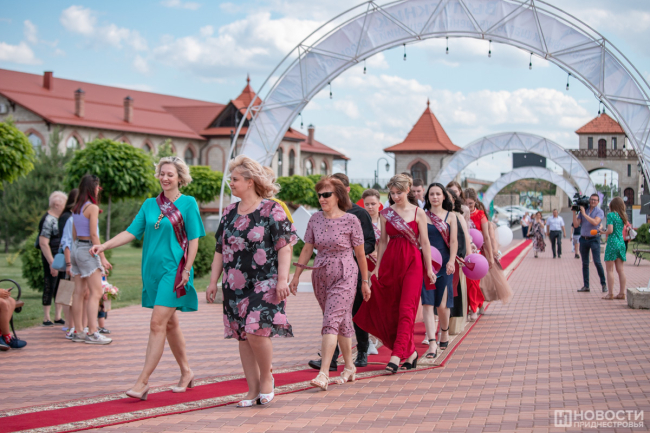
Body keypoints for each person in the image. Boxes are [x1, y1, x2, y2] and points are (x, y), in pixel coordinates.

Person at [92, 157, 205, 399]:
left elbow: (194, 240)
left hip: (175, 271)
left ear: (180, 178)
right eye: (162, 173)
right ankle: (186, 372)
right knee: (170, 323)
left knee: (156, 323)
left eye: (170, 174)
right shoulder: (149, 205)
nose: (165, 178)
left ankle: (142, 382)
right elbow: (131, 232)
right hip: (152, 272)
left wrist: (187, 269)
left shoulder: (188, 203)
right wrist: (104, 246)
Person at [206, 155, 296, 407]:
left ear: (250, 182)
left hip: (265, 281)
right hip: (234, 284)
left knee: (256, 330)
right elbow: (219, 250)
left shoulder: (272, 209)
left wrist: (282, 279)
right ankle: (252, 390)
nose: (231, 183)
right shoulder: (228, 212)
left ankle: (267, 378)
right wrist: (213, 282)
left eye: (235, 179)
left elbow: (285, 246)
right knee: (243, 335)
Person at [291, 177, 370, 390]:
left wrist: (365, 281)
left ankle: (324, 373)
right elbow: (307, 248)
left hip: (345, 272)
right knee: (340, 320)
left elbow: (360, 255)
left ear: (338, 196)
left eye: (326, 194)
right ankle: (350, 367)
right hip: (321, 273)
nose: (322, 198)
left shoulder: (351, 220)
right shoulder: (315, 219)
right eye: (319, 195)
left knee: (330, 320)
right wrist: (296, 275)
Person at [354, 174, 435, 373]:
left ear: (408, 190)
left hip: (412, 263)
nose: (395, 196)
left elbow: (425, 243)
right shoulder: (386, 214)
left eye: (399, 192)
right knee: (392, 310)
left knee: (407, 309)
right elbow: (382, 242)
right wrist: (377, 268)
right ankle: (411, 353)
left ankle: (396, 356)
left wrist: (429, 268)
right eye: (392, 193)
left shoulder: (418, 212)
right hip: (391, 263)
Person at [68, 177, 112, 345]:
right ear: (92, 188)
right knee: (96, 292)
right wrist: (102, 257)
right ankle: (93, 332)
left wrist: (77, 250)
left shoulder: (76, 208)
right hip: (88, 249)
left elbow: (74, 233)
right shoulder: (92, 207)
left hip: (76, 248)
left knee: (78, 293)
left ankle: (78, 331)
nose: (99, 189)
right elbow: (94, 234)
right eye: (97, 186)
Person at [422, 183, 457, 359]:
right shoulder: (423, 215)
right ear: (428, 197)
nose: (435, 197)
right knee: (427, 304)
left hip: (444, 264)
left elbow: (454, 241)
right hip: (427, 264)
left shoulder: (451, 216)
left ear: (444, 196)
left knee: (442, 305)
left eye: (438, 194)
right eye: (432, 194)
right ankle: (432, 343)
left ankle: (444, 330)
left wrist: (452, 261)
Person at [37, 191, 67, 327]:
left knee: (61, 285)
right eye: (64, 204)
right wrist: (51, 262)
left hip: (61, 256)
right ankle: (46, 317)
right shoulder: (48, 219)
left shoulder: (60, 219)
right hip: (52, 257)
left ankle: (58, 316)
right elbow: (43, 242)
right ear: (56, 204)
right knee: (50, 284)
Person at [464, 188, 494, 322]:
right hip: (464, 252)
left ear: (475, 202)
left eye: (470, 204)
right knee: (467, 283)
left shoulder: (480, 215)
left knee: (474, 282)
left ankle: (473, 308)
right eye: (466, 204)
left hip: (477, 253)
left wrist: (491, 256)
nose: (468, 206)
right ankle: (478, 302)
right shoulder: (460, 214)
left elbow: (486, 237)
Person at [447, 189, 471, 334]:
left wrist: (469, 257)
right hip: (440, 259)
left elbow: (465, 238)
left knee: (456, 291)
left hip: (456, 259)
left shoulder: (457, 216)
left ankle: (453, 325)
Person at [573, 194, 607, 293]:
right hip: (583, 239)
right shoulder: (584, 210)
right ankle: (586, 286)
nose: (593, 201)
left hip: (594, 239)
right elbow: (576, 225)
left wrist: (584, 214)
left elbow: (595, 222)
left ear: (598, 202)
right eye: (591, 199)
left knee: (597, 262)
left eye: (595, 200)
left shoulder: (599, 212)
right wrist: (574, 212)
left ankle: (604, 284)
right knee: (585, 263)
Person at [600, 197, 628, 300]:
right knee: (621, 270)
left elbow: (610, 230)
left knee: (609, 270)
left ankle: (610, 293)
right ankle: (622, 293)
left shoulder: (611, 215)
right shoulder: (623, 216)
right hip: (621, 243)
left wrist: (603, 232)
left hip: (612, 243)